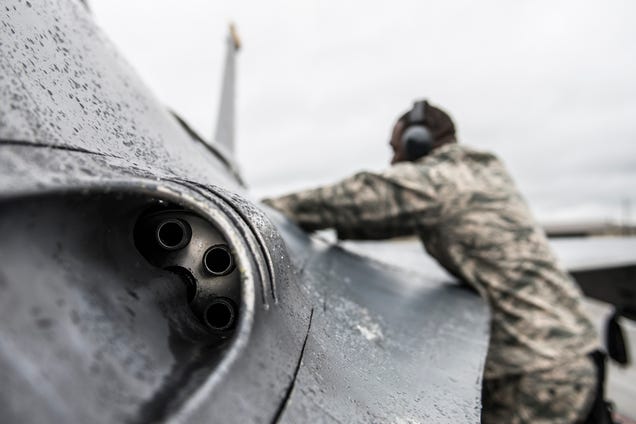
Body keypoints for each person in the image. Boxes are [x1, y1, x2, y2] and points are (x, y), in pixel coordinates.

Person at [262, 100, 602, 423]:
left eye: (396, 149)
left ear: (417, 144)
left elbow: (352, 200)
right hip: (569, 351)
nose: (394, 162)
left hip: (537, 369)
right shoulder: (479, 173)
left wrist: (261, 209)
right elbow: (379, 220)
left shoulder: (443, 181)